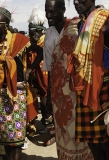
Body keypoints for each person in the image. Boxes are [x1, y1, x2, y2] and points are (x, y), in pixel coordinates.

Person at [41, 0, 93, 159]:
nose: (49, 15)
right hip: (58, 94)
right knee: (63, 130)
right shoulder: (48, 34)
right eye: (46, 11)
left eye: (53, 11)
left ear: (63, 9)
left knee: (80, 130)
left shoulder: (76, 26)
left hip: (76, 91)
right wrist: (49, 96)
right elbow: (49, 68)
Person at [72, 0, 109, 159]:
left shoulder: (108, 21)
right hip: (84, 88)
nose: (76, 2)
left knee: (107, 140)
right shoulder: (81, 25)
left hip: (104, 88)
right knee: (92, 142)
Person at [0, 7, 43, 160]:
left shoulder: (19, 40)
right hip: (0, 95)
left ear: (5, 25)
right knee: (5, 137)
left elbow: (39, 51)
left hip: (16, 94)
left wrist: (30, 69)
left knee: (16, 140)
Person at [26, 6, 49, 137]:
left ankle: (48, 122)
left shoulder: (43, 42)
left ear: (36, 32)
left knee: (45, 96)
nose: (29, 35)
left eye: (31, 32)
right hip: (40, 75)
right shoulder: (38, 42)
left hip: (45, 75)